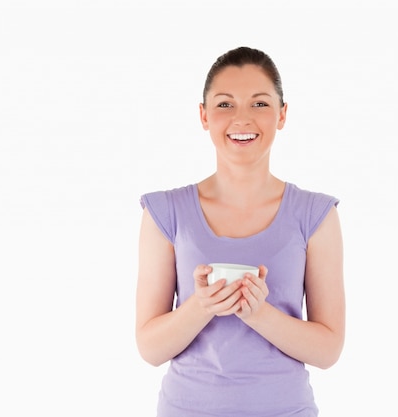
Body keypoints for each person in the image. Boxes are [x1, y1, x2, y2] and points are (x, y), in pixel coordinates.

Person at [135, 46, 345, 417]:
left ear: (282, 114)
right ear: (203, 115)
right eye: (225, 104)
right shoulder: (165, 212)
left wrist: (259, 313)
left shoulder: (316, 214)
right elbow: (149, 348)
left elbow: (328, 350)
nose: (242, 119)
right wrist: (201, 306)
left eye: (260, 104)